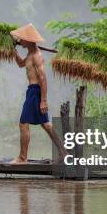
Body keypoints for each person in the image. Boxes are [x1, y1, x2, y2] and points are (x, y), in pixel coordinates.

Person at [10, 24, 66, 164]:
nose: (20, 40)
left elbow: (43, 78)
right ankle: (64, 153)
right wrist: (14, 51)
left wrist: (44, 100)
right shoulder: (30, 53)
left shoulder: (37, 55)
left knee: (23, 124)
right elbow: (21, 64)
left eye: (22, 39)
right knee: (46, 124)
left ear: (28, 40)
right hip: (32, 91)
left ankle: (22, 158)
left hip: (35, 91)